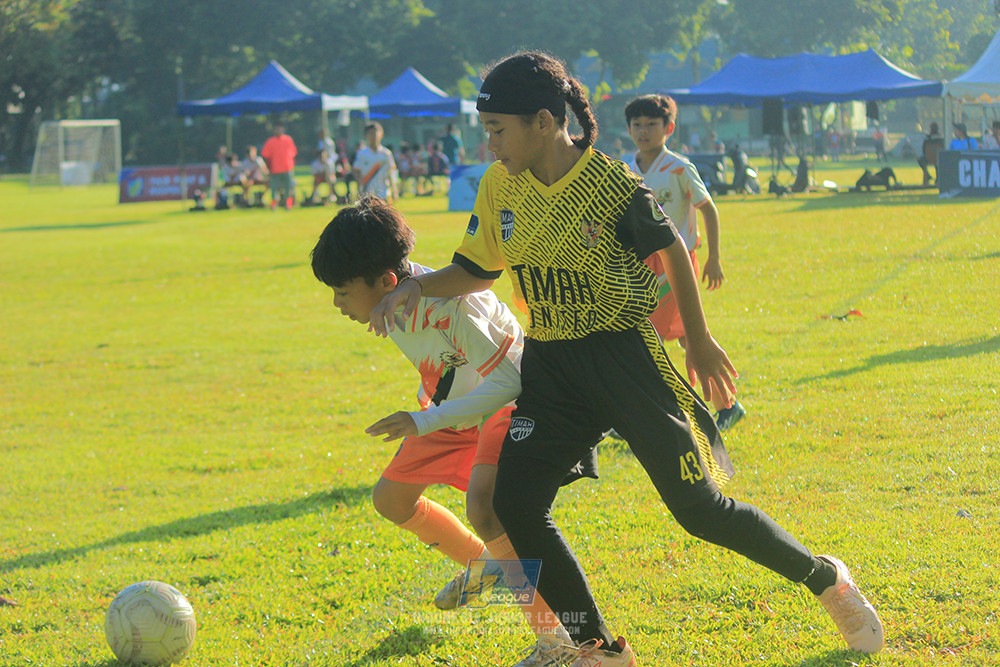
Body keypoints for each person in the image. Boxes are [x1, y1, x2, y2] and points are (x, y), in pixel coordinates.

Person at [368, 51, 884, 666]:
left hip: (624, 360)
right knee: (515, 502)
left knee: (701, 512)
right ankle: (598, 649)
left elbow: (671, 253)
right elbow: (478, 269)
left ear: (542, 121)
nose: (491, 146)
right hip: (552, 367)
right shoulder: (497, 185)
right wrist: (415, 285)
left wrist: (697, 339)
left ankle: (826, 579)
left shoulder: (610, 183)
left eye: (497, 131)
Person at [310, 194, 590, 664]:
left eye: (341, 291)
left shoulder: (455, 307)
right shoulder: (390, 297)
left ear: (386, 281)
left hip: (511, 400)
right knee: (391, 500)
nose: (337, 304)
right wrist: (431, 413)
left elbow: (510, 381)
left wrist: (423, 420)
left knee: (485, 506)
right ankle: (493, 569)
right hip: (454, 409)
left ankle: (556, 640)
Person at [622, 94, 746, 431]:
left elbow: (708, 208)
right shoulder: (625, 170)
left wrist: (714, 257)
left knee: (654, 336)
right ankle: (725, 406)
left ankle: (657, 412)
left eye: (651, 124)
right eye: (637, 125)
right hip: (641, 265)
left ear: (669, 128)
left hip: (676, 263)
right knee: (684, 338)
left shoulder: (679, 167)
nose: (643, 131)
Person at [352, 122, 398, 202]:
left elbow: (391, 172)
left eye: (375, 133)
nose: (373, 136)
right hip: (367, 194)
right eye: (371, 133)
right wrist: (359, 190)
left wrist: (394, 190)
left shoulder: (386, 154)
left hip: (384, 193)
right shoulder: (361, 154)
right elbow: (357, 172)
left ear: (381, 135)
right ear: (366, 136)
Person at [260, 124, 298, 210]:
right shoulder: (270, 141)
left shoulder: (288, 140)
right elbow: (266, 156)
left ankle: (287, 204)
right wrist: (268, 168)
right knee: (274, 188)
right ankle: (274, 204)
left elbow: (293, 154)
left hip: (287, 168)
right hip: (275, 169)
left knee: (288, 187)